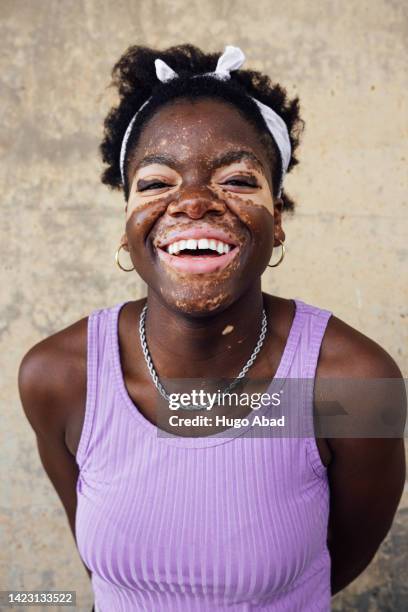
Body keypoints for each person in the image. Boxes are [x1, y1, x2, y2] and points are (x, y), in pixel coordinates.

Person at [18, 44, 405, 612]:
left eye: (238, 180)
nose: (193, 203)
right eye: (155, 184)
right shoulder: (59, 376)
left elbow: (336, 562)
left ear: (277, 221)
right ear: (127, 225)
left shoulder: (349, 384)